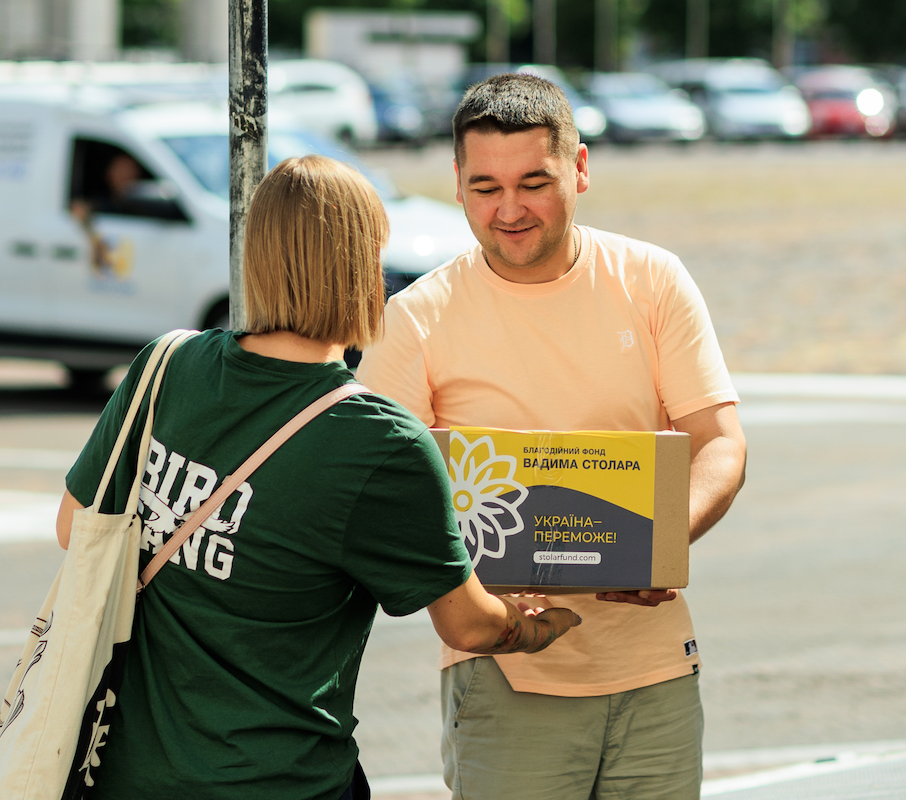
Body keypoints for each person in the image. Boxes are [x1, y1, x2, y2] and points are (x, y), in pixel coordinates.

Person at [54, 154, 581, 800]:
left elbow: (73, 527)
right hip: (279, 781)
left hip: (124, 776)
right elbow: (469, 625)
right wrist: (535, 625)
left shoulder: (166, 366)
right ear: (361, 268)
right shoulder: (378, 443)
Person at [356, 74, 748, 800]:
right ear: (456, 182)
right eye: (484, 187)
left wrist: (665, 539)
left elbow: (720, 442)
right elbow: (376, 498)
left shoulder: (653, 280)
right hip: (506, 677)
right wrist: (472, 597)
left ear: (581, 168)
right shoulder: (415, 319)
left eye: (534, 182)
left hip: (655, 674)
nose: (508, 210)